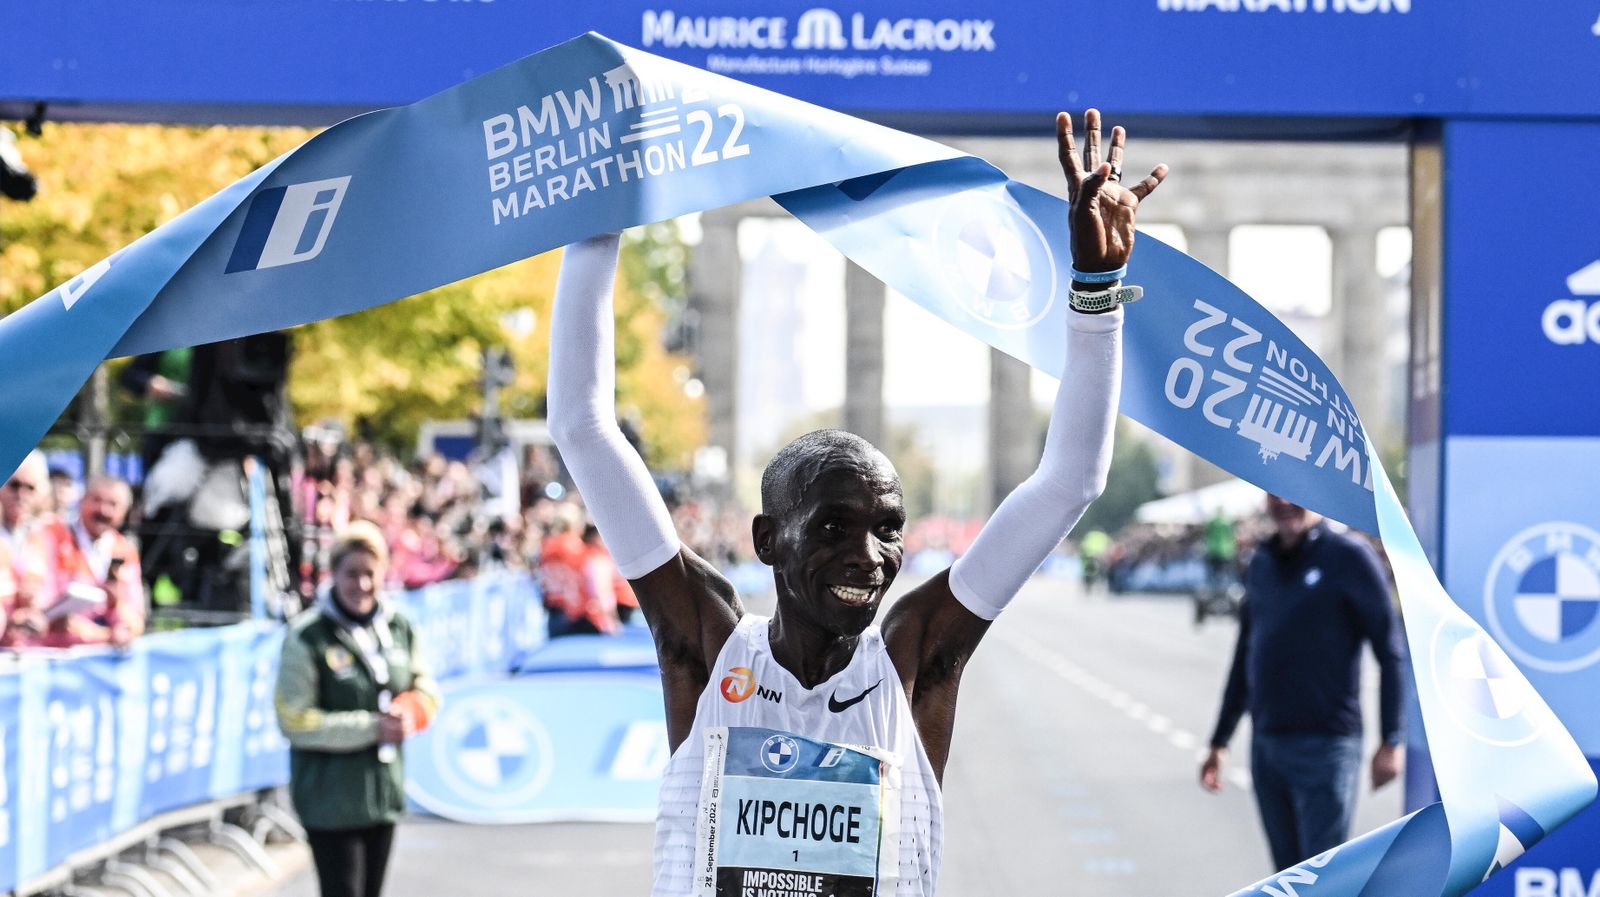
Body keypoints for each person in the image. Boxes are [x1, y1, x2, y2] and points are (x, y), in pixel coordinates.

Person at [547, 110, 1165, 896]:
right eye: (835, 526)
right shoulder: (705, 644)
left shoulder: (913, 655)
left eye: (887, 529)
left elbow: (1070, 479)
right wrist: (595, 216)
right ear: (768, 538)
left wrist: (1097, 291)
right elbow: (581, 425)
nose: (867, 556)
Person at [1199, 494, 1405, 872]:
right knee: (1285, 879)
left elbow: (1390, 652)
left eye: (1293, 493)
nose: (1283, 502)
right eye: (1273, 494)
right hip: (1268, 744)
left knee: (1320, 880)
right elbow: (1246, 656)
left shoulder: (1349, 558)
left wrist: (1391, 739)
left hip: (1326, 745)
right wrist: (1220, 740)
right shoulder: (1260, 561)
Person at [275, 521, 440, 897]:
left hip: (383, 797)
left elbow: (426, 687)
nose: (362, 585)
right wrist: (372, 727)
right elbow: (294, 720)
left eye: (370, 573)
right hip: (329, 801)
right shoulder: (307, 635)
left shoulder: (399, 626)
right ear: (334, 574)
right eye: (352, 574)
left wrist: (409, 714)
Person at [33, 475, 145, 648]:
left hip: (102, 661)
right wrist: (106, 636)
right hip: (54, 655)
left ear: (124, 512)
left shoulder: (125, 550)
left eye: (113, 505)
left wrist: (116, 604)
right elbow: (48, 616)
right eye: (96, 500)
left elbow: (136, 621)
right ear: (82, 501)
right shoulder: (53, 535)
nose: (103, 510)